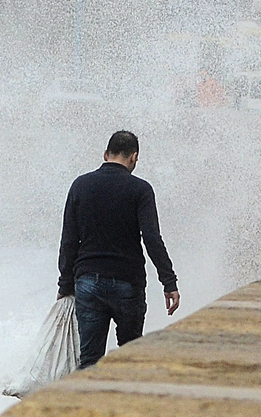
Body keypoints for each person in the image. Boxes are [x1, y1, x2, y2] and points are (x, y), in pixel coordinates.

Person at [57, 130, 181, 370]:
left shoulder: (80, 185)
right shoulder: (141, 189)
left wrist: (65, 285)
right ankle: (123, 404)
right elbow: (152, 239)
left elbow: (69, 241)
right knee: (129, 358)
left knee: (90, 361)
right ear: (134, 157)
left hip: (88, 283)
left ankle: (88, 405)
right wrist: (169, 282)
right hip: (127, 284)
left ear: (106, 154)